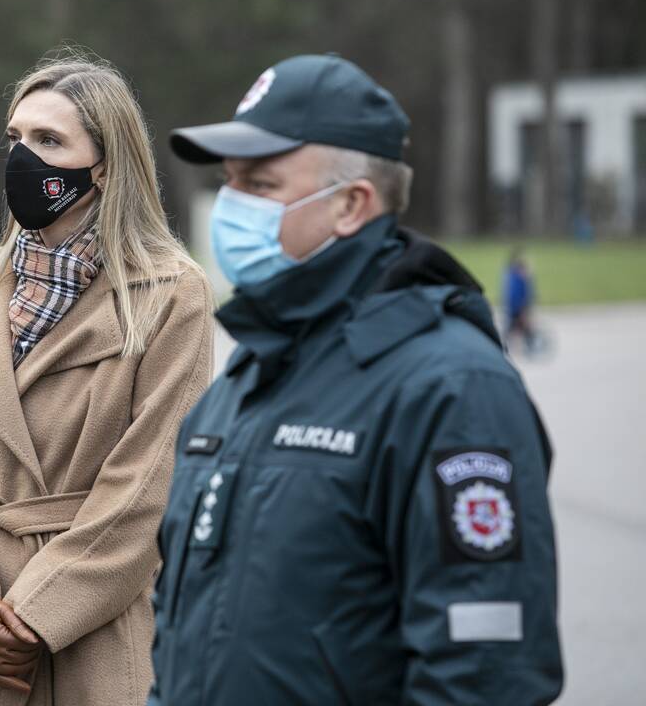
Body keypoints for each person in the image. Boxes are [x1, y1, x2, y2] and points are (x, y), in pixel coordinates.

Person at [149, 54, 563, 705]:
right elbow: (180, 641)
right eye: (228, 182)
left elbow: (485, 679)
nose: (230, 206)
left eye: (259, 185)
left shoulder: (451, 388)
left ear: (350, 204)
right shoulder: (246, 379)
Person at [0, 52, 214, 706]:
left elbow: (146, 489)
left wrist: (35, 617)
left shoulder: (172, 297)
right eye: (15, 138)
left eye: (49, 141)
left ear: (104, 163)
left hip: (97, 631)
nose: (23, 157)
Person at [502, 246, 540, 354]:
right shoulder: (518, 276)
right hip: (518, 307)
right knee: (520, 328)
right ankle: (528, 347)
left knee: (516, 328)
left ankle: (528, 346)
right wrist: (523, 308)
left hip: (516, 306)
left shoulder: (510, 273)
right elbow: (520, 294)